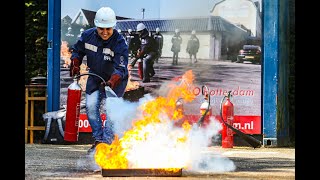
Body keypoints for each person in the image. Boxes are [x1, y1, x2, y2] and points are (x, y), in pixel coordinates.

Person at [69, 6, 129, 154]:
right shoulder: (87, 36)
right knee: (90, 107)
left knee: (111, 113)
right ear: (96, 26)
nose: (104, 32)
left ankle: (108, 143)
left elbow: (121, 68)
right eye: (101, 28)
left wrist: (112, 81)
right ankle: (98, 140)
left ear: (113, 27)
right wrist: (75, 63)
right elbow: (77, 51)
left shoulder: (120, 42)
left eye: (108, 29)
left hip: (115, 81)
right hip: (95, 76)